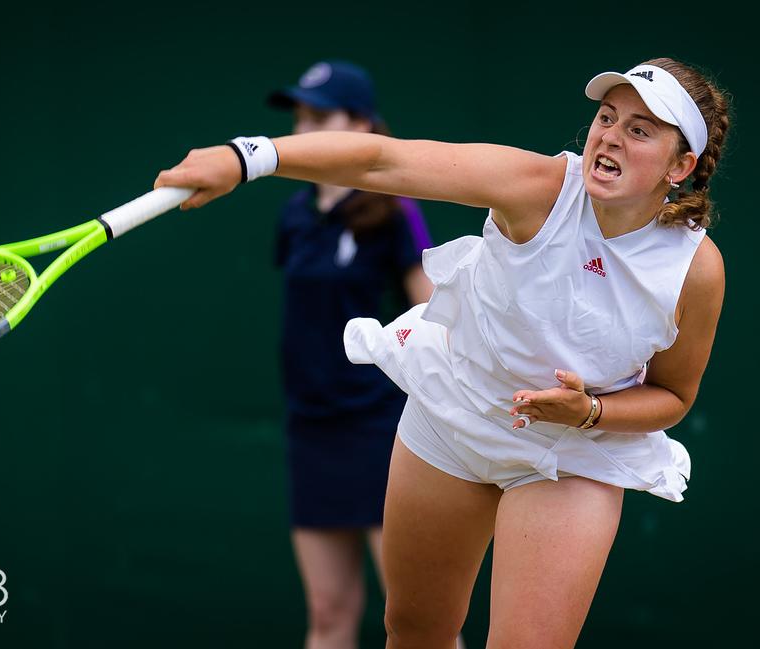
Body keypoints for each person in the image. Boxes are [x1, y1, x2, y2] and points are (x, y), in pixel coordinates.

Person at [155, 57, 730, 649]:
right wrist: (247, 157)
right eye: (607, 117)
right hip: (454, 409)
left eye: (640, 130)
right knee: (415, 633)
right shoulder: (535, 187)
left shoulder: (695, 269)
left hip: (572, 453)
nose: (609, 136)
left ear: (680, 165)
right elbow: (384, 159)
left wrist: (589, 414)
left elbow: (673, 396)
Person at [267, 61, 435, 649]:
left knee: (416, 623)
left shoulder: (396, 212)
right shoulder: (295, 215)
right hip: (311, 428)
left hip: (383, 431)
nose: (302, 129)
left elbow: (439, 320)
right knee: (329, 612)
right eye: (300, 116)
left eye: (320, 116)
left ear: (361, 125)